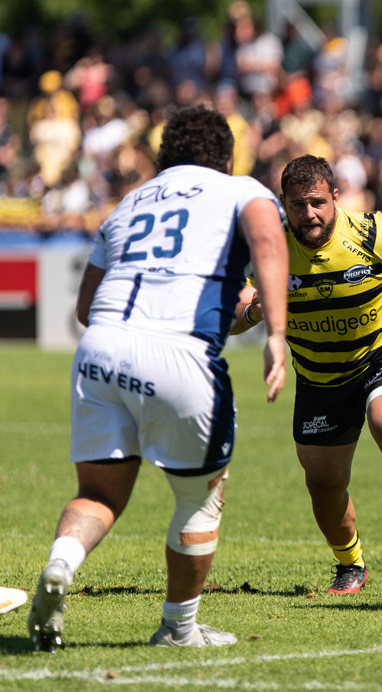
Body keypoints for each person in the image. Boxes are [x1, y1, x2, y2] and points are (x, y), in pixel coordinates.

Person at [27, 105, 290, 651]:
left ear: (164, 155)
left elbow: (85, 308)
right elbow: (268, 239)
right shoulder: (240, 189)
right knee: (200, 498)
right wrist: (276, 333)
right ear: (227, 157)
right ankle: (178, 627)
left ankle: (60, 565)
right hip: (179, 354)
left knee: (97, 493)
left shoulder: (129, 202)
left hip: (100, 349)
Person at [231, 154, 382, 594]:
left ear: (336, 197)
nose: (309, 214)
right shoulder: (268, 248)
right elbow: (234, 308)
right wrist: (253, 311)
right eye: (297, 204)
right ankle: (350, 564)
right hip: (320, 377)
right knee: (324, 482)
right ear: (283, 203)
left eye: (318, 202)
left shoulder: (373, 232)